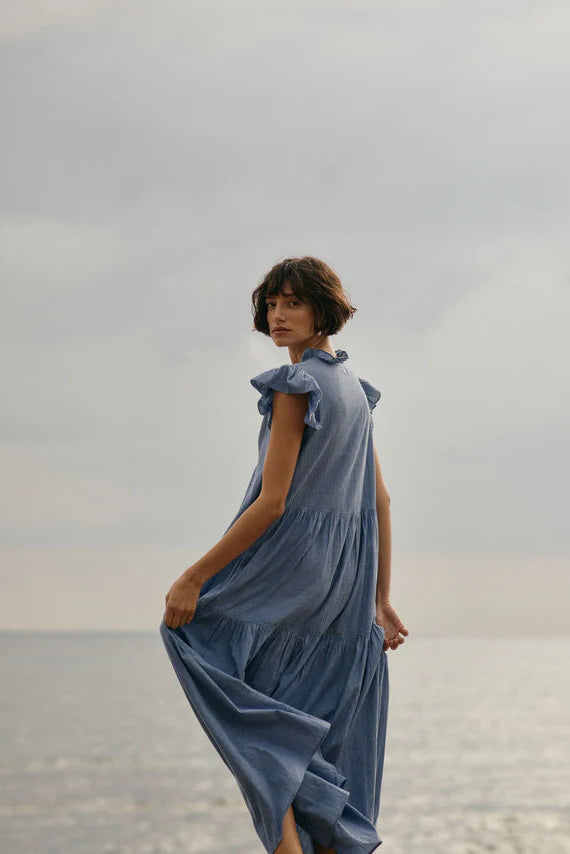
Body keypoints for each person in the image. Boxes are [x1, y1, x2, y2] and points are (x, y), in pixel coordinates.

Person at [159, 256, 409, 854]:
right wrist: (380, 597)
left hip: (291, 565)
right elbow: (381, 501)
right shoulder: (354, 388)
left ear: (324, 309)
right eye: (272, 304)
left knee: (198, 643)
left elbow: (272, 504)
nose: (278, 315)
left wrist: (192, 577)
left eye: (293, 302)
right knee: (310, 712)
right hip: (344, 579)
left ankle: (286, 846)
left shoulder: (294, 386)